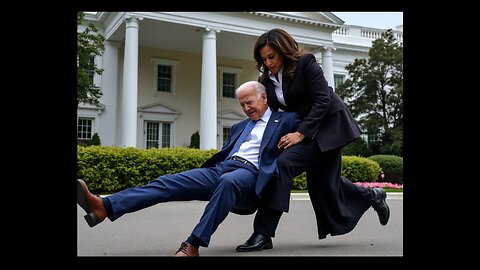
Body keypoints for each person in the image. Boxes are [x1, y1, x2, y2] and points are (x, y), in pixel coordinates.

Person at [77, 81, 301, 256]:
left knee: (228, 182)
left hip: (250, 175)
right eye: (242, 104)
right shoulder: (239, 126)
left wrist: (300, 134)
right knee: (168, 182)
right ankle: (104, 206)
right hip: (221, 169)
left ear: (264, 97)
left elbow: (320, 121)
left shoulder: (287, 120)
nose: (246, 108)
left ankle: (193, 244)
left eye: (250, 102)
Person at [235, 28, 390, 252]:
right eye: (263, 59)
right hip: (307, 130)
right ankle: (373, 195)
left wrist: (301, 134)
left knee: (283, 164)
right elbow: (274, 115)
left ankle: (263, 233)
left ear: (283, 51)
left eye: (272, 56)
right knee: (325, 185)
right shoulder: (266, 81)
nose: (268, 62)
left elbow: (322, 100)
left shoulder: (306, 63)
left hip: (328, 127)